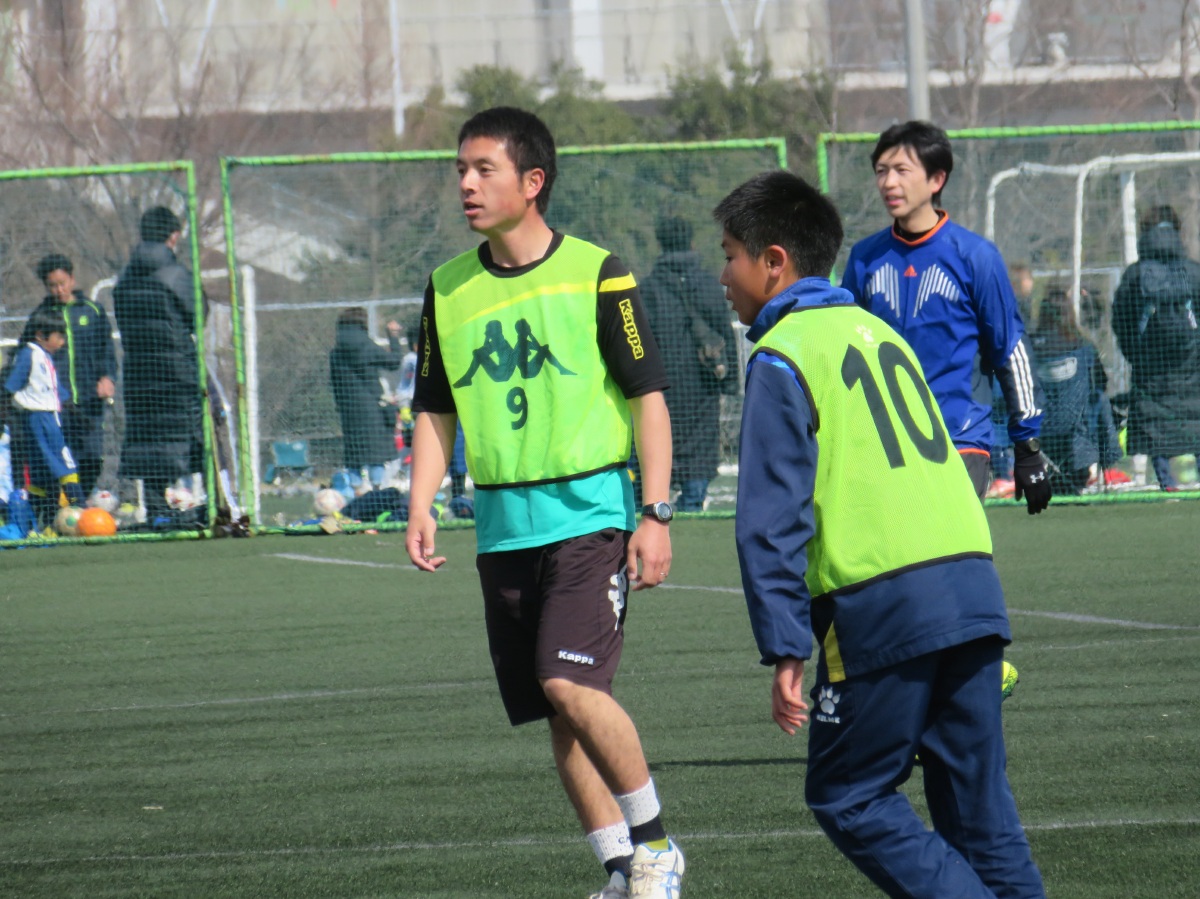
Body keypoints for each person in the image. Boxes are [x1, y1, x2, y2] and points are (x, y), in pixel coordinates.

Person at [720, 170, 1045, 898]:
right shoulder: (877, 329)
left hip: (882, 597)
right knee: (979, 814)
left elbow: (770, 520)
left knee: (848, 794)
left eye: (730, 255)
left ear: (774, 262)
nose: (723, 274)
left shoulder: (783, 354)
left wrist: (784, 645)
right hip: (970, 582)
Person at [405, 107, 683, 899]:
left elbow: (649, 397)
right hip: (501, 530)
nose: (466, 184)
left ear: (533, 182)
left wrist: (655, 512)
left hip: (590, 519)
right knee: (558, 710)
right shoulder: (445, 288)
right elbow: (436, 408)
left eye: (483, 169)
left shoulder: (599, 272)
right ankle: (623, 872)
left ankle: (657, 845)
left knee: (568, 682)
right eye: (460, 170)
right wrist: (422, 501)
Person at [840, 121, 1052, 513]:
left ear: (937, 179)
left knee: (948, 549)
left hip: (959, 440)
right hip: (886, 445)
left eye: (902, 171)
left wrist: (1027, 445)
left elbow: (1010, 349)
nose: (888, 182)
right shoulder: (865, 258)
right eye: (881, 171)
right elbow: (846, 348)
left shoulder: (976, 257)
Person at [112, 206, 205, 521]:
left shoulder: (125, 278)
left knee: (148, 437)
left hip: (139, 371)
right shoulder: (176, 274)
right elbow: (198, 314)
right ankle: (213, 503)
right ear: (173, 236)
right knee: (194, 433)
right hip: (177, 370)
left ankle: (156, 511)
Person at [639, 215, 739, 511]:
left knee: (660, 451)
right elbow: (725, 334)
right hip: (703, 390)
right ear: (691, 243)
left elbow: (639, 343)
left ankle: (659, 515)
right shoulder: (708, 285)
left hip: (662, 390)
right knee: (698, 457)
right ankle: (691, 506)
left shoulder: (648, 289)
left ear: (661, 244)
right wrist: (730, 382)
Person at [1111, 205, 1200, 491]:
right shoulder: (1194, 272)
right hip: (1192, 367)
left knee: (1155, 422)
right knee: (1195, 420)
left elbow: (1121, 320)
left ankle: (1167, 483)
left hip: (1150, 368)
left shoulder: (1135, 275)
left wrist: (1135, 355)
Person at [16, 254, 118, 496]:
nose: (59, 290)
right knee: (58, 461)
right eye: (52, 285)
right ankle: (64, 509)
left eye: (62, 283)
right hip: (55, 406)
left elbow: (106, 351)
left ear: (72, 279)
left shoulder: (92, 311)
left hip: (89, 403)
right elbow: (24, 354)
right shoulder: (41, 317)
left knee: (92, 458)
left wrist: (107, 377)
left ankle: (81, 504)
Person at [1032, 285, 1122, 494]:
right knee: (1100, 401)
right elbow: (1100, 382)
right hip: (1076, 425)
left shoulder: (1030, 348)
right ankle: (1107, 461)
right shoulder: (1083, 346)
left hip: (1039, 422)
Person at [4, 307, 86, 528]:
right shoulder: (29, 354)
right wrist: (5, 410)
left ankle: (38, 526)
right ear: (40, 335)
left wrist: (72, 408)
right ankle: (83, 513)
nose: (62, 341)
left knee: (41, 472)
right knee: (65, 463)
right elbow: (11, 386)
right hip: (40, 420)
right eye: (59, 336)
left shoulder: (44, 356)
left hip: (45, 419)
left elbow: (56, 389)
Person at [330, 307, 404, 491]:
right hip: (372, 409)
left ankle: (356, 491)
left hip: (348, 410)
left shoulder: (336, 352)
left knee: (354, 455)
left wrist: (340, 405)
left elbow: (335, 382)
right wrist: (393, 336)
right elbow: (394, 362)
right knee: (375, 454)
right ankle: (376, 490)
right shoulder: (367, 346)